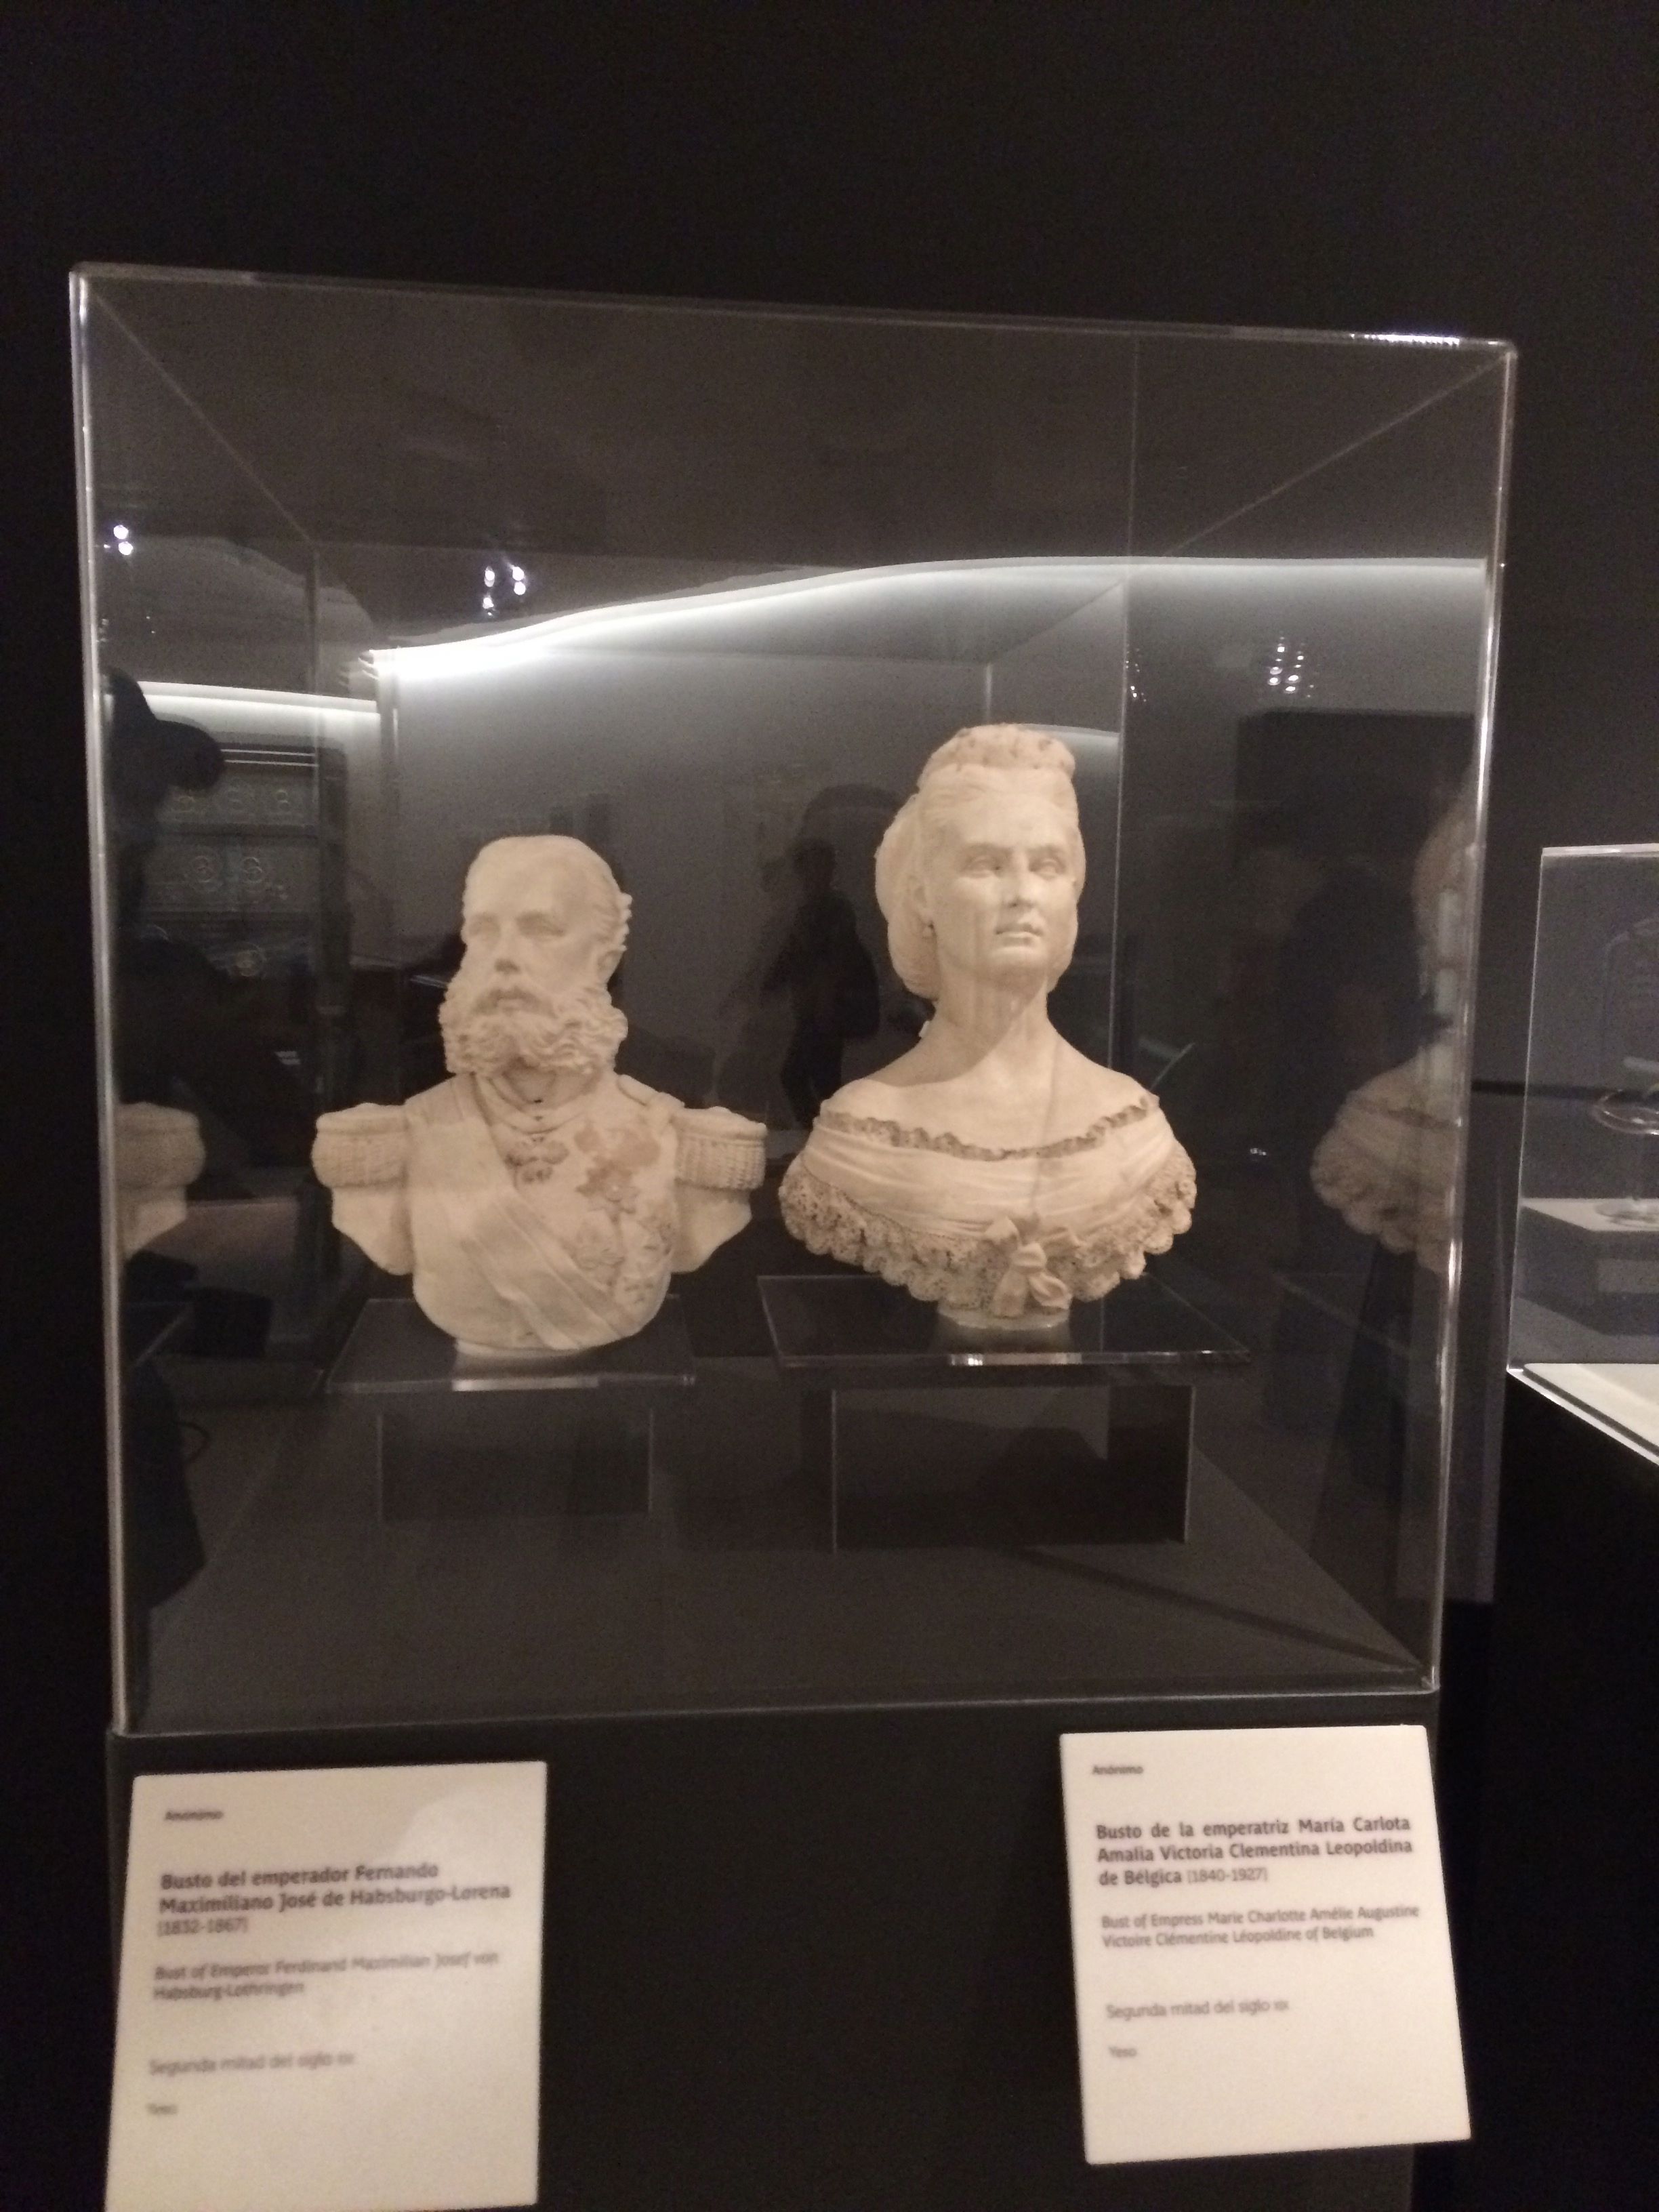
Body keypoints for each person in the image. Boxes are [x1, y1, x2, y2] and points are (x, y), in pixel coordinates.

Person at [780, 726, 1193, 1330]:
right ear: (923, 896)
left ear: (1073, 893)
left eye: (1047, 865)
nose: (1023, 893)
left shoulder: (1133, 1129)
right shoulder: (864, 1135)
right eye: (985, 865)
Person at [314, 836, 764, 1353]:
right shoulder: (401, 1135)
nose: (503, 957)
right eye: (484, 931)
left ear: (605, 959)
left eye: (541, 929)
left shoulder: (677, 1138)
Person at [763, 837, 880, 1126]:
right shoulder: (808, 911)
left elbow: (837, 960)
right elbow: (791, 956)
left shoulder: (836, 911)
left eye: (820, 867)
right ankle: (823, 1135)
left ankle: (826, 1136)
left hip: (826, 1013)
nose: (813, 874)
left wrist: (825, 1001)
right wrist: (767, 987)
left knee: (807, 1078)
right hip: (815, 1012)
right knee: (813, 1079)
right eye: (808, 868)